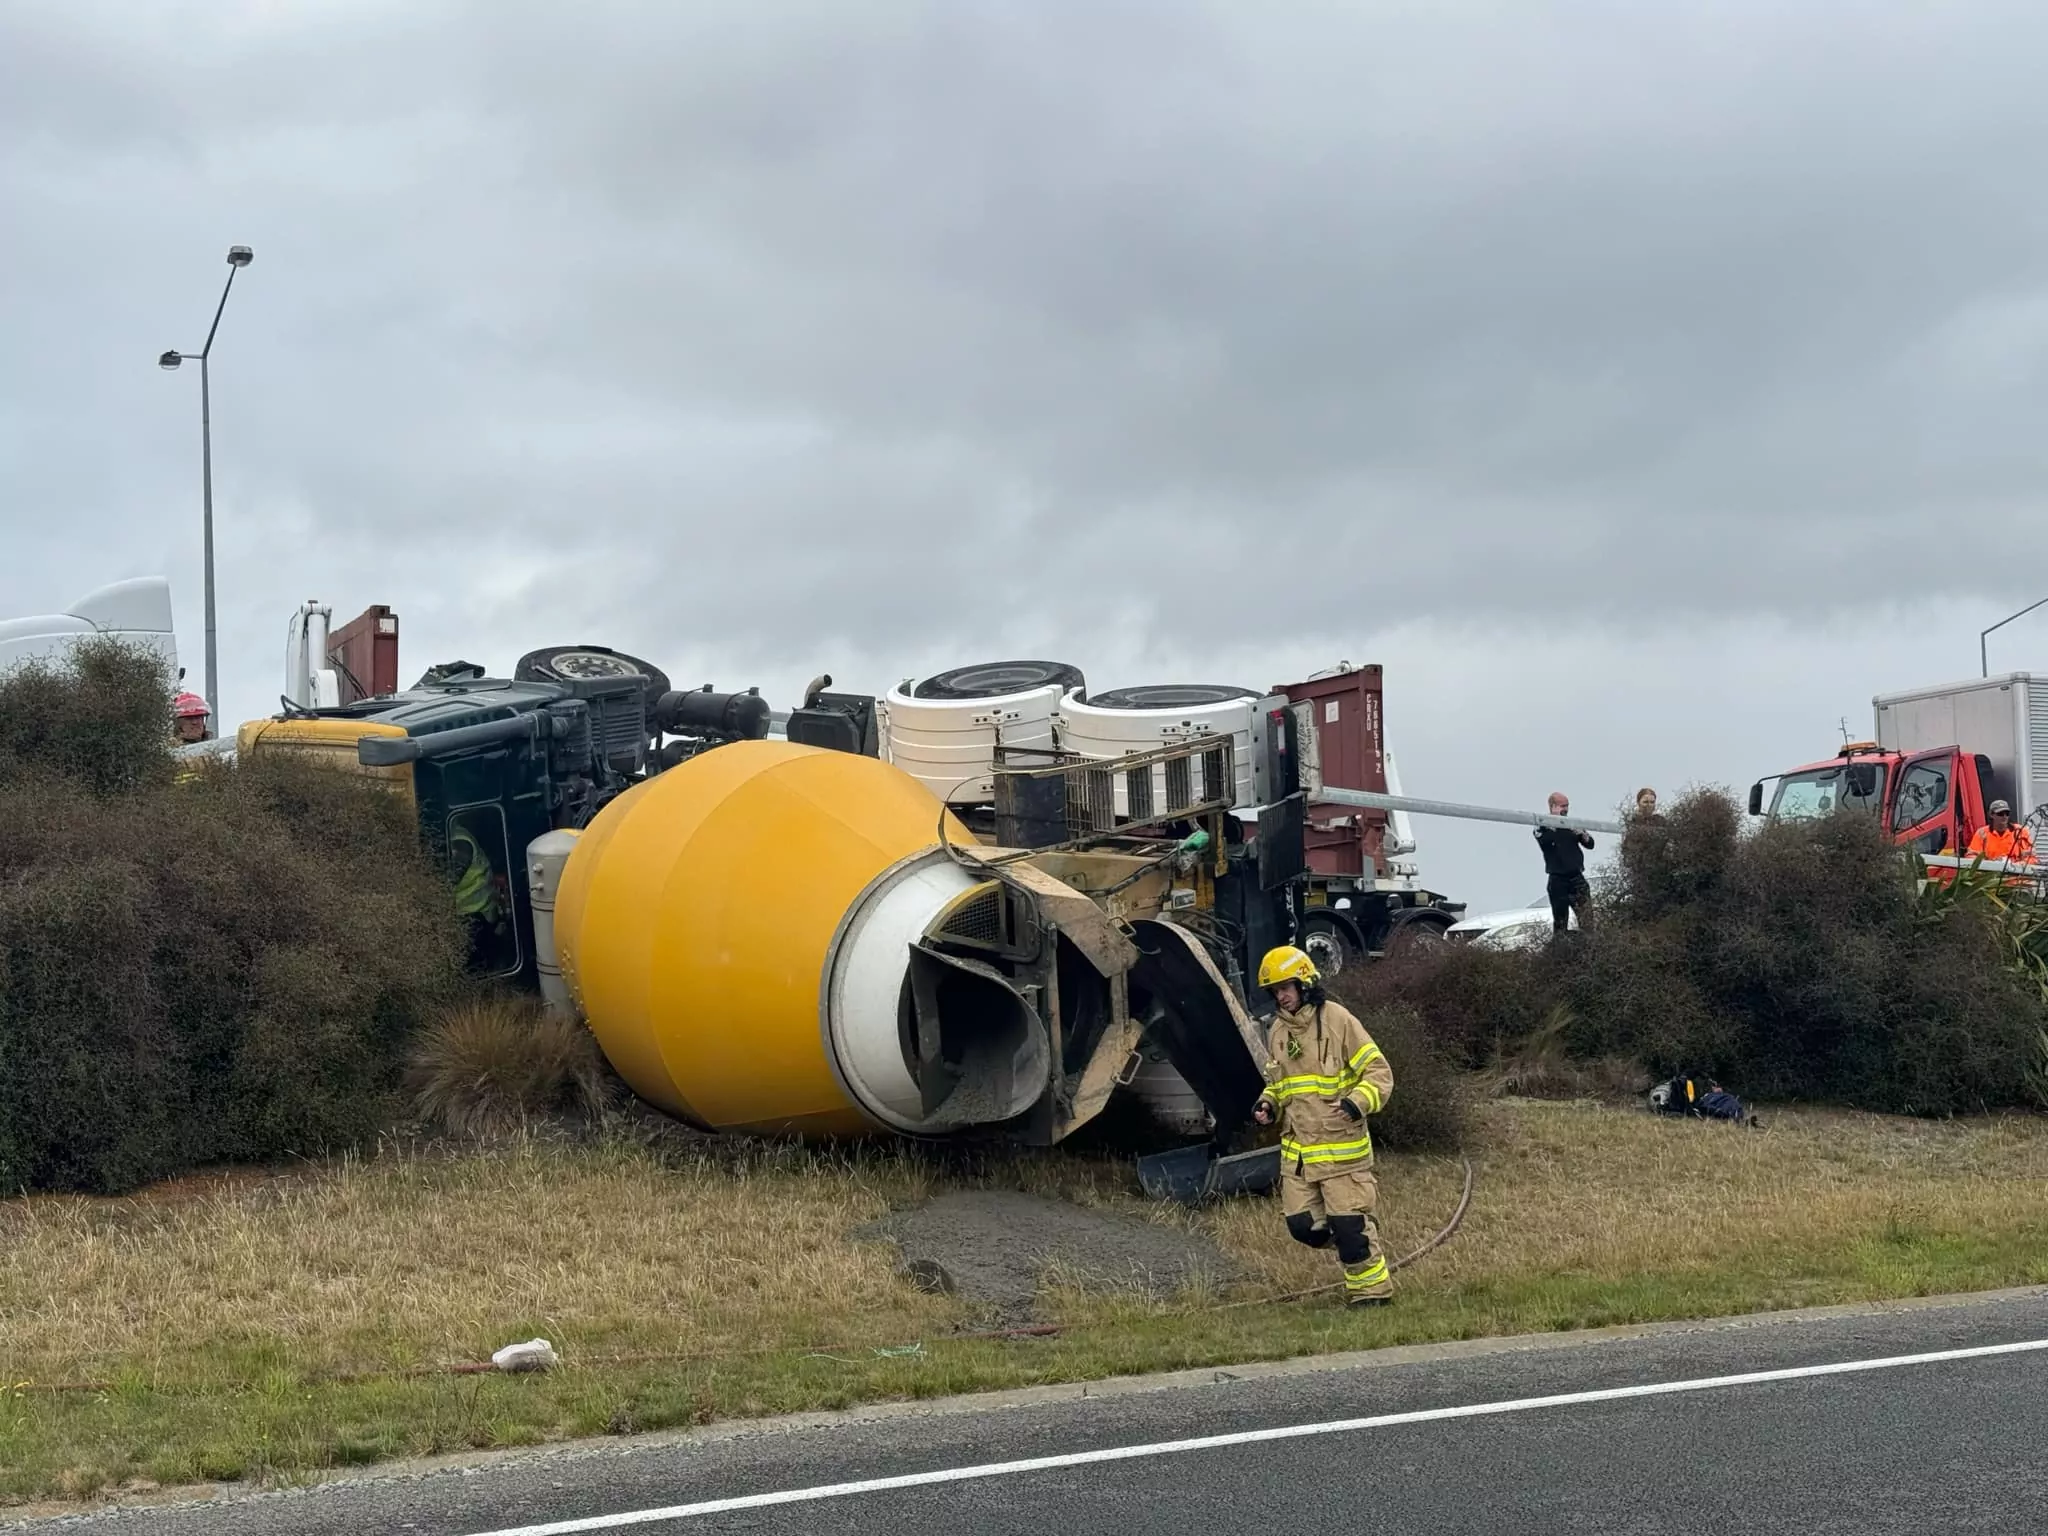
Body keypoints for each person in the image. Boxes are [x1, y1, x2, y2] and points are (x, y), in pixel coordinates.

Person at [1250, 945, 1396, 1307]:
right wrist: (1268, 1103)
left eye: (1286, 987)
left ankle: (1372, 1294)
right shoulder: (1278, 1033)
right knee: (1304, 1227)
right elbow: (1280, 1083)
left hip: (1342, 1154)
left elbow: (1380, 1074)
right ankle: (1359, 1242)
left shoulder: (1338, 1020)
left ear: (1305, 983)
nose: (1281, 996)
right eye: (1275, 991)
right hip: (1299, 1157)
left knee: (1349, 1229)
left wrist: (1356, 1102)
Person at [1533, 791, 1595, 934]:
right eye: (1562, 806)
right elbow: (1544, 841)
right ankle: (1561, 951)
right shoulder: (1543, 825)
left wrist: (1581, 834)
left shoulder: (1571, 824)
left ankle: (1590, 950)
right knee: (1560, 922)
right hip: (1558, 880)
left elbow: (1590, 844)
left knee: (1587, 921)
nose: (1565, 809)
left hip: (1577, 877)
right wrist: (1553, 828)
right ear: (1552, 806)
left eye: (1567, 806)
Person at [1967, 800, 2035, 865]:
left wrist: (2017, 865)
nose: (2004, 816)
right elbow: (1971, 856)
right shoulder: (1982, 833)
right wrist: (1989, 864)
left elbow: (2032, 858)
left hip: (2016, 874)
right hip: (1991, 874)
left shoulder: (2020, 831)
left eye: (2007, 813)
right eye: (2000, 814)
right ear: (1991, 815)